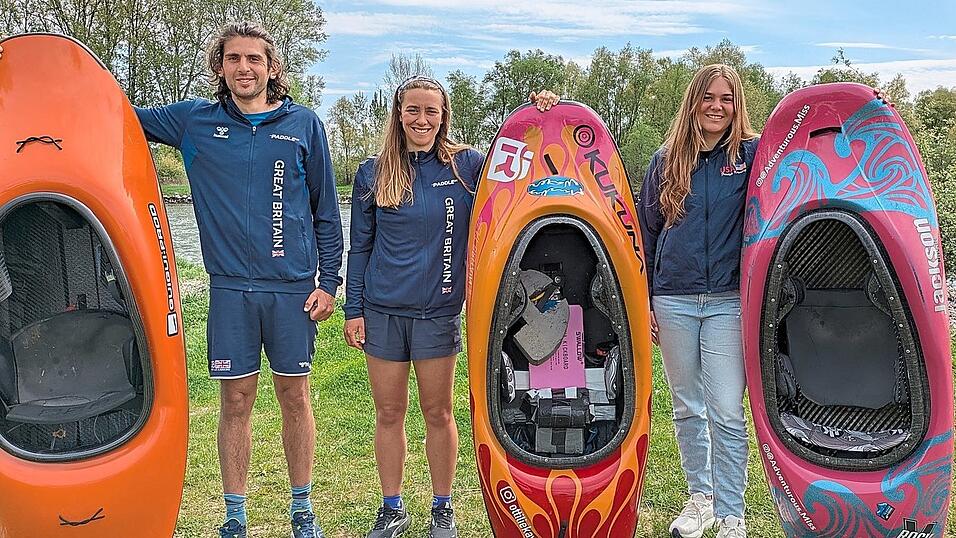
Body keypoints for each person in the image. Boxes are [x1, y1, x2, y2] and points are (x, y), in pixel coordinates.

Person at [0, 23, 342, 538]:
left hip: (292, 288)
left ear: (273, 67)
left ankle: (301, 508)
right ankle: (234, 516)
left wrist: (329, 282)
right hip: (229, 289)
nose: (244, 69)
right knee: (236, 401)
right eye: (233, 59)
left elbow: (325, 211)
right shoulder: (193, 121)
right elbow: (109, 115)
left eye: (255, 59)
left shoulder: (303, 125)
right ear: (220, 68)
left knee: (295, 397)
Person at [343, 79, 557, 538]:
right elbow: (359, 247)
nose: (422, 120)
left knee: (438, 412)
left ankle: (443, 508)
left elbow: (522, 165)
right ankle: (391, 507)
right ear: (398, 113)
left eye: (432, 112)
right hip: (383, 312)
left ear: (445, 116)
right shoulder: (373, 171)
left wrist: (539, 115)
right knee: (388, 413)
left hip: (438, 313)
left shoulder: (466, 166)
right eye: (413, 110)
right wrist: (353, 308)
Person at [637, 64, 759, 538]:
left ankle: (731, 513)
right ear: (694, 100)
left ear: (737, 105)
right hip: (674, 299)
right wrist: (646, 298)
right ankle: (701, 499)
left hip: (729, 300)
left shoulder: (752, 155)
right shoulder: (665, 160)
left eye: (726, 98)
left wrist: (864, 106)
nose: (716, 106)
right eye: (708, 96)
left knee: (727, 409)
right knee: (688, 406)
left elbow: (811, 138)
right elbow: (645, 234)